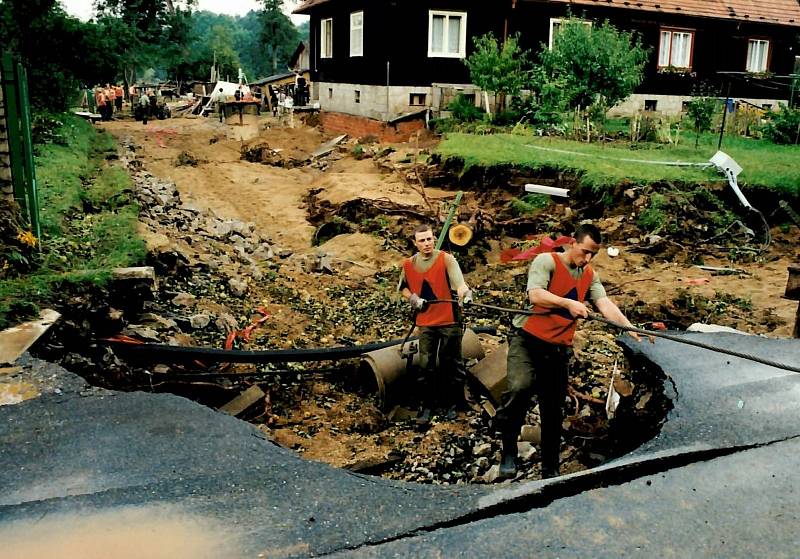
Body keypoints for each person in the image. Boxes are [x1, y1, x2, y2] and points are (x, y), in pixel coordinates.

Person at [495, 223, 650, 480]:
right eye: (585, 251)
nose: (587, 258)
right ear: (573, 244)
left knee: (553, 406)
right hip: (528, 341)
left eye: (593, 254)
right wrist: (568, 303)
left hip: (558, 347)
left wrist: (629, 327)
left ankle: (550, 467)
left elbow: (605, 304)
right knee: (519, 388)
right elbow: (536, 294)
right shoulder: (548, 261)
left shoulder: (589, 275)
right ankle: (508, 450)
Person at [399, 224, 473, 424]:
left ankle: (455, 403)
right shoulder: (408, 264)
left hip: (449, 319)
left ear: (434, 239)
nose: (426, 244)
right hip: (426, 321)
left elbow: (459, 283)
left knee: (451, 361)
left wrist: (464, 293)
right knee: (426, 364)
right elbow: (403, 288)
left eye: (429, 239)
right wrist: (413, 299)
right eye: (422, 240)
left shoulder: (446, 259)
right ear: (415, 243)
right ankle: (428, 405)